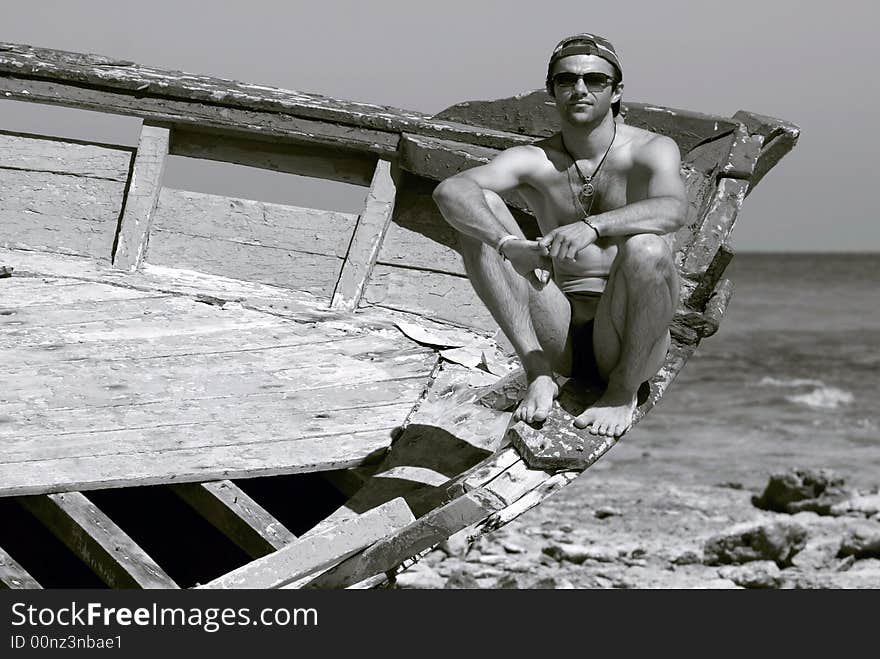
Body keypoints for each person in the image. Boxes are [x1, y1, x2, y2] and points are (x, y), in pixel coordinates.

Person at [432, 33, 687, 439]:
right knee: (481, 216)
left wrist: (593, 225)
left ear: (617, 90)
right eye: (566, 80)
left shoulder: (651, 150)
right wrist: (509, 245)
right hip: (559, 324)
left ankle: (622, 393)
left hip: (626, 330)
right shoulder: (535, 159)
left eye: (595, 80)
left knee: (647, 246)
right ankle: (538, 373)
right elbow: (451, 191)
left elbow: (673, 210)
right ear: (552, 91)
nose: (580, 89)